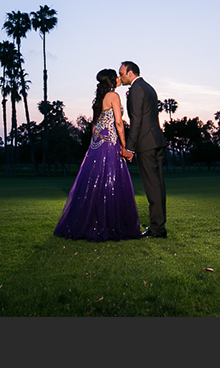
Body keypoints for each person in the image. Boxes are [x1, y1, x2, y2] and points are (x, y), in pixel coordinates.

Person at [54, 69, 141, 241]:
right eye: (116, 76)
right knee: (111, 181)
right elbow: (118, 122)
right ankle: (108, 223)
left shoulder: (99, 99)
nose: (119, 78)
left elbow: (94, 126)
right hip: (109, 143)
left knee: (94, 182)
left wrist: (93, 146)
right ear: (110, 81)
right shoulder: (113, 96)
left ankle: (90, 221)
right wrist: (125, 146)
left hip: (96, 145)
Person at [119, 61, 167, 238]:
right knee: (158, 186)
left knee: (153, 187)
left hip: (147, 144)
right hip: (156, 141)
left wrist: (130, 148)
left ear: (131, 73)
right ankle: (159, 226)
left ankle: (157, 228)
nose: (120, 77)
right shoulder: (148, 87)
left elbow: (136, 120)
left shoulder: (137, 89)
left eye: (122, 73)